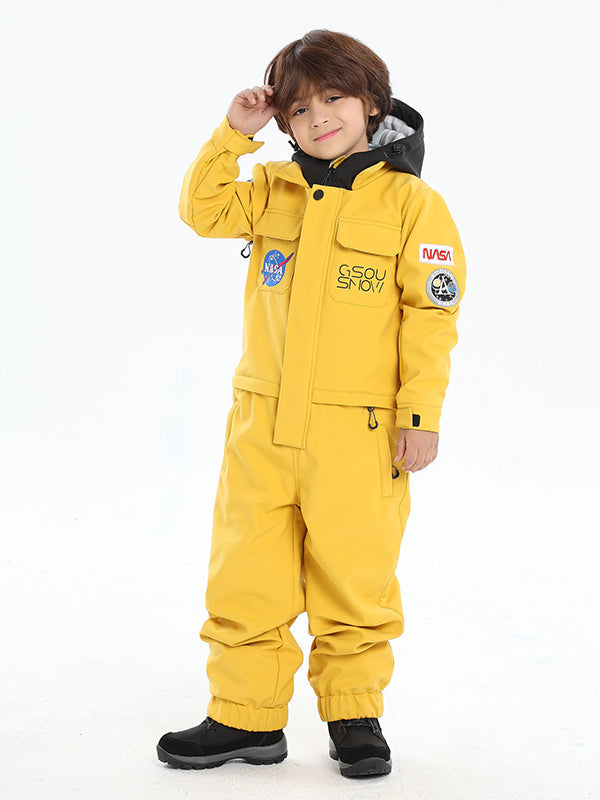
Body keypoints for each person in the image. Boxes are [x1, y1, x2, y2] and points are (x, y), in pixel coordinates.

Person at [157, 29, 465, 779]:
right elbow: (200, 209)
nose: (318, 117)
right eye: (298, 109)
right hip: (262, 427)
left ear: (372, 103)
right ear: (283, 121)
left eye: (334, 98)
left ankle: (354, 715)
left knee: (354, 576)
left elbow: (431, 316)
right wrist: (234, 134)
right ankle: (245, 717)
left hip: (357, 434)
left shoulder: (412, 204)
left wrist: (419, 417)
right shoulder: (271, 190)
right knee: (246, 573)